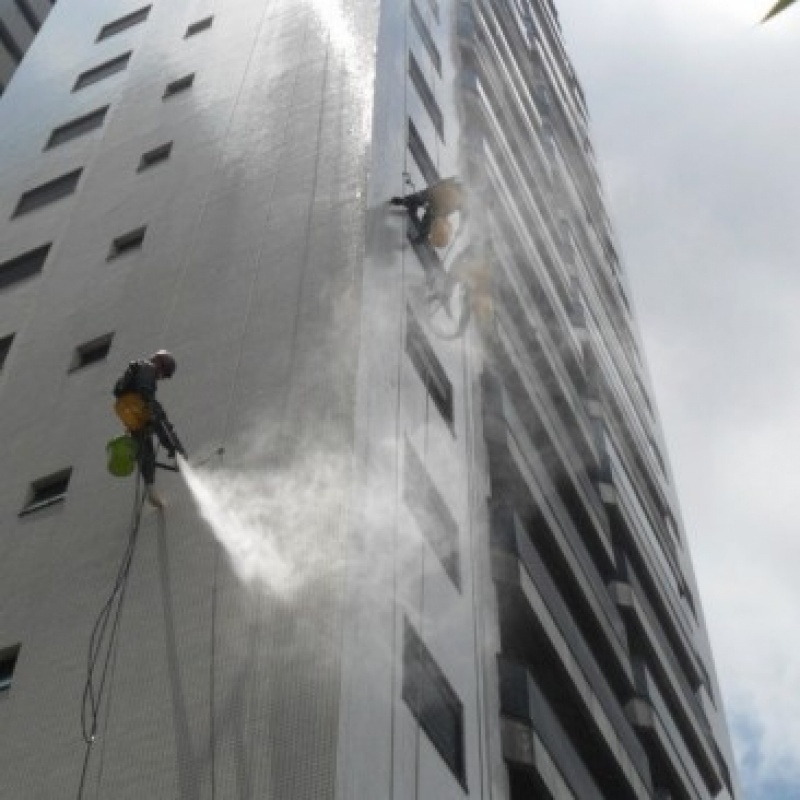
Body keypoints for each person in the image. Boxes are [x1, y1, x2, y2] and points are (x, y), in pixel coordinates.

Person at [112, 350, 186, 507]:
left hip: (124, 410)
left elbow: (117, 390)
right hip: (137, 403)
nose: (161, 376)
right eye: (163, 372)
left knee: (145, 449)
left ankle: (150, 487)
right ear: (159, 361)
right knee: (161, 420)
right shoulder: (148, 367)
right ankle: (178, 454)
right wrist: (151, 407)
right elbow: (145, 389)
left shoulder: (135, 369)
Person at [390, 177, 467, 248]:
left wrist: (461, 228)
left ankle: (417, 240)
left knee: (426, 225)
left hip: (437, 206)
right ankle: (404, 202)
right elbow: (440, 185)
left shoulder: (463, 197)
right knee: (419, 200)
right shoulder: (455, 183)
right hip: (435, 200)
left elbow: (464, 214)